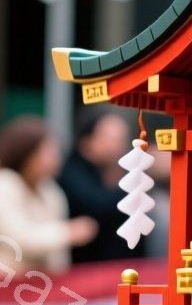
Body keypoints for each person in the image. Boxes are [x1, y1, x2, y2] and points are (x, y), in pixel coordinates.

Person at [0, 116, 96, 276]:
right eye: (47, 151)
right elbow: (15, 238)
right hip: (2, 285)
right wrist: (68, 232)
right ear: (26, 153)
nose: (55, 158)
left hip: (42, 288)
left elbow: (58, 255)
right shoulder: (2, 183)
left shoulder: (51, 190)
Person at [57, 108, 144, 263]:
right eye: (111, 139)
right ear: (87, 141)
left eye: (122, 139)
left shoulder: (112, 171)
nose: (118, 146)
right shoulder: (71, 171)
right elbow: (98, 205)